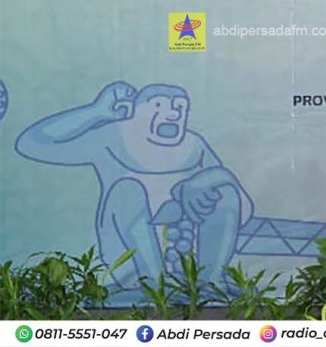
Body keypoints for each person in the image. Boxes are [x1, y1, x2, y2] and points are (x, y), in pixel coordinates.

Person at [15, 81, 253, 290]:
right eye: (159, 105)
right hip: (128, 255)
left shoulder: (194, 145)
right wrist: (95, 111)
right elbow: (32, 143)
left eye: (179, 107)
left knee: (221, 188)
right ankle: (153, 283)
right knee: (127, 190)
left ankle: (210, 281)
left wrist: (202, 182)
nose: (173, 114)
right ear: (136, 111)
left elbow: (240, 206)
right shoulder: (113, 137)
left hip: (187, 254)